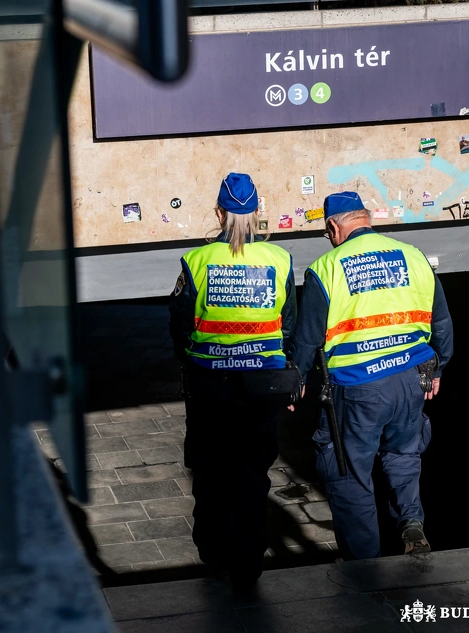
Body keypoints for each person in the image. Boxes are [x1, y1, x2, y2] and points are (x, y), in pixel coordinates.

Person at [290, 191, 453, 560]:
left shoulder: (328, 267)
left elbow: (307, 338)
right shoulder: (413, 256)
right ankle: (411, 522)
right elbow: (440, 322)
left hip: (359, 387)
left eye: (327, 232)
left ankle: (363, 566)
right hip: (412, 380)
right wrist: (438, 367)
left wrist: (294, 384)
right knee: (403, 454)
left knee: (350, 473)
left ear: (334, 226)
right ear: (366, 218)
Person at [168, 172, 298, 586]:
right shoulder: (280, 260)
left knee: (209, 470)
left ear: (219, 213)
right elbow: (289, 326)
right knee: (251, 475)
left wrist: (196, 357)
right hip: (262, 387)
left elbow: (179, 325)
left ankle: (214, 551)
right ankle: (248, 561)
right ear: (258, 212)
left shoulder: (197, 260)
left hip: (211, 387)